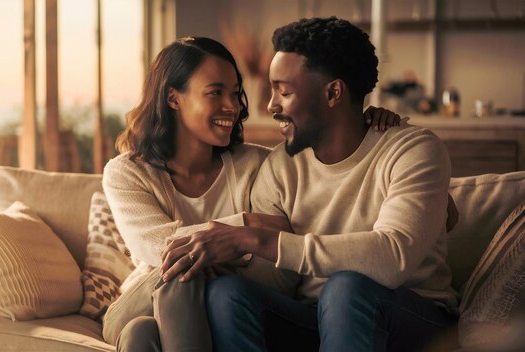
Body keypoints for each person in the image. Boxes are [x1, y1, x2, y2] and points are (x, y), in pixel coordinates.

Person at [161, 18, 459, 352]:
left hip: (409, 317)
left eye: (284, 92)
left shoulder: (413, 150)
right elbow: (282, 280)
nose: (271, 105)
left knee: (345, 289)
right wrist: (226, 258)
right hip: (314, 317)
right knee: (227, 293)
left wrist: (257, 237)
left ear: (333, 92)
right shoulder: (279, 167)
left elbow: (392, 258)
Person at [101, 36, 403, 352]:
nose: (232, 106)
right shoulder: (126, 172)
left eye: (235, 93)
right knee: (182, 268)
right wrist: (241, 228)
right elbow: (159, 249)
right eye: (215, 92)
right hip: (143, 299)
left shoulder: (258, 165)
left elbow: (285, 274)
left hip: (207, 312)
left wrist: (361, 122)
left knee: (140, 335)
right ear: (173, 98)